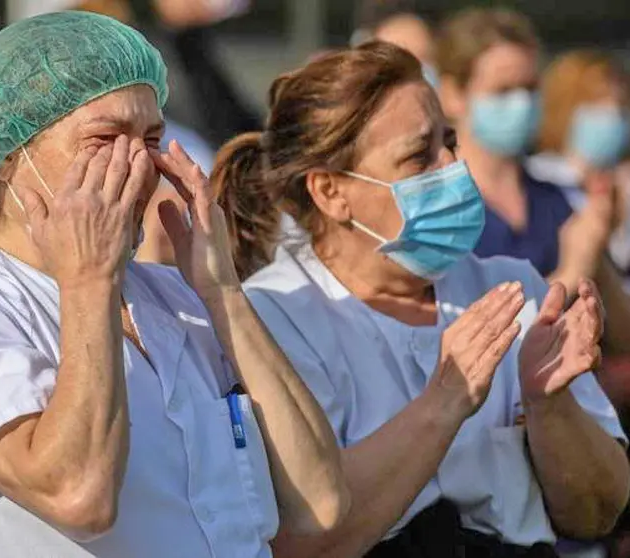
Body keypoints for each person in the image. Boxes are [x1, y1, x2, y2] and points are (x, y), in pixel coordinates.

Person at [0, 12, 349, 558]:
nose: (137, 165)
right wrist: (89, 281)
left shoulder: (177, 298)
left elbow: (320, 503)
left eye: (152, 138)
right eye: (104, 139)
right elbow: (77, 495)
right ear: (12, 155)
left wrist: (223, 294)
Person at [214, 41, 629, 557]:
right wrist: (444, 402)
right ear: (330, 192)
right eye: (419, 156)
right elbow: (304, 542)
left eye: (449, 142)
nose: (454, 166)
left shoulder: (510, 287)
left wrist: (550, 405)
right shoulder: (274, 319)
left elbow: (599, 511)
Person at [436, 7, 630, 358]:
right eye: (503, 90)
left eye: (529, 88)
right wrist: (572, 271)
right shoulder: (439, 211)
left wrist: (596, 247)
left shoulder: (554, 199)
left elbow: (623, 333)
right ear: (453, 93)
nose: (521, 104)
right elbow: (474, 346)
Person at [529, 50, 630, 285]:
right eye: (596, 103)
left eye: (619, 104)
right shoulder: (538, 177)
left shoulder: (622, 181)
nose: (612, 114)